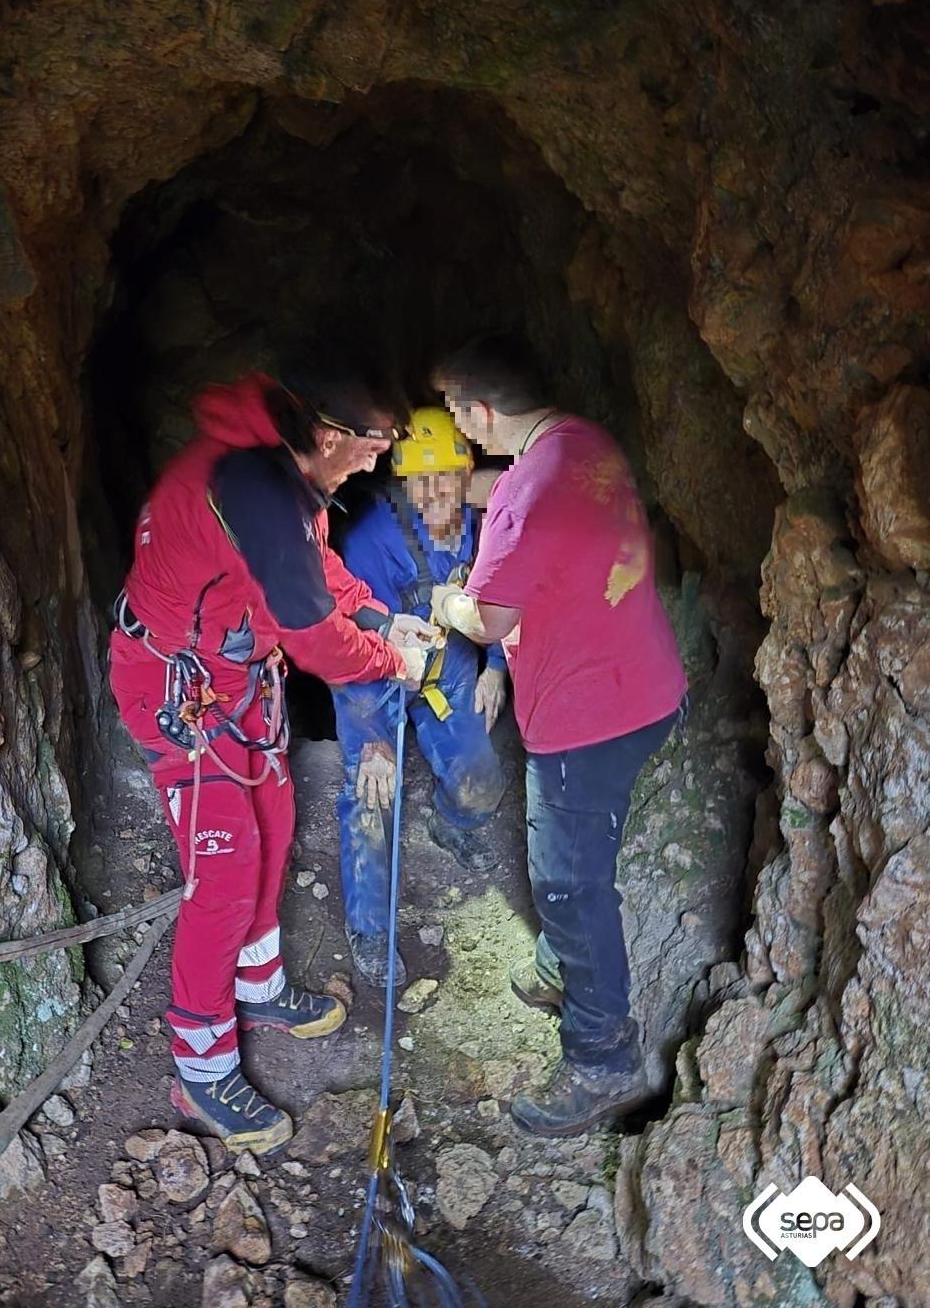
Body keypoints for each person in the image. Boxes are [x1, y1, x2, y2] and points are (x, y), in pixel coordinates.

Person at [109, 365, 432, 1154]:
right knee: (223, 873)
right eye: (373, 445)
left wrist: (378, 617)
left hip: (238, 680)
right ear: (328, 434)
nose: (377, 460)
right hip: (179, 688)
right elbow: (313, 637)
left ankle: (258, 987)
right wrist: (391, 660)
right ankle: (203, 1062)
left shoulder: (285, 475)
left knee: (272, 828)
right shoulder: (251, 488)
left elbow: (310, 569)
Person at [431, 334, 688, 1137]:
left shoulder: (523, 498)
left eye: (454, 412)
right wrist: (464, 489)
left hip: (585, 722)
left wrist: (445, 602)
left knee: (568, 884)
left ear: (481, 410)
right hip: (647, 689)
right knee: (584, 848)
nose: (454, 424)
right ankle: (558, 967)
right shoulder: (583, 444)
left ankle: (601, 1060)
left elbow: (488, 616)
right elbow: (533, 500)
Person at [331, 407, 508, 987]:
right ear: (402, 483)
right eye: (419, 480)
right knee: (370, 792)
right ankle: (370, 928)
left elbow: (505, 596)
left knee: (481, 784)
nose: (433, 494)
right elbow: (345, 639)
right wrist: (372, 738)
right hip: (372, 674)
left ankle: (450, 823)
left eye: (445, 478)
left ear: (466, 475)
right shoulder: (372, 538)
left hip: (447, 664)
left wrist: (496, 667)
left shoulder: (485, 525)